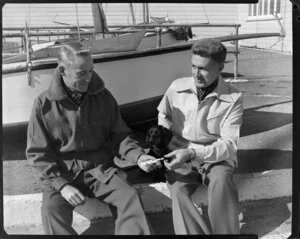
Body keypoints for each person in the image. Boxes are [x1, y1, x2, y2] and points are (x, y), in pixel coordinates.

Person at [26, 42, 159, 235]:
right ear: (63, 70)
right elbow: (38, 154)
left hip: (101, 171)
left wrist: (138, 156)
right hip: (63, 175)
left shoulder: (103, 96)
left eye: (91, 71)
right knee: (51, 212)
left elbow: (120, 135)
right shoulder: (42, 105)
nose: (88, 78)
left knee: (129, 197)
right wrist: (61, 186)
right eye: (82, 73)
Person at [157, 38, 243, 234]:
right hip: (181, 155)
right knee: (178, 192)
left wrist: (192, 152)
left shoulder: (234, 98)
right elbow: (163, 114)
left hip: (215, 157)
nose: (195, 74)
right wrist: (165, 139)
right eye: (193, 66)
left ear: (220, 67)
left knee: (221, 182)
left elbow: (229, 145)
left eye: (203, 69)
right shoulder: (176, 87)